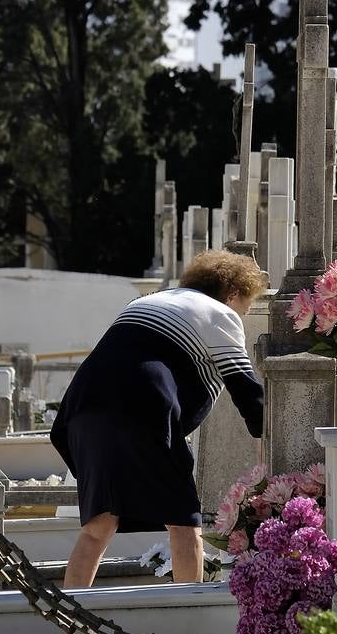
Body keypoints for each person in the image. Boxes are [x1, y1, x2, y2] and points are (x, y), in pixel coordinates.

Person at [51, 250, 267, 588]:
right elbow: (247, 390)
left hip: (83, 406)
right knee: (183, 524)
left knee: (99, 526)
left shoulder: (149, 301)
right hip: (143, 408)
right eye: (247, 302)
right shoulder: (220, 314)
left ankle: (71, 617)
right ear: (233, 293)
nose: (246, 311)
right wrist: (268, 441)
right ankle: (187, 617)